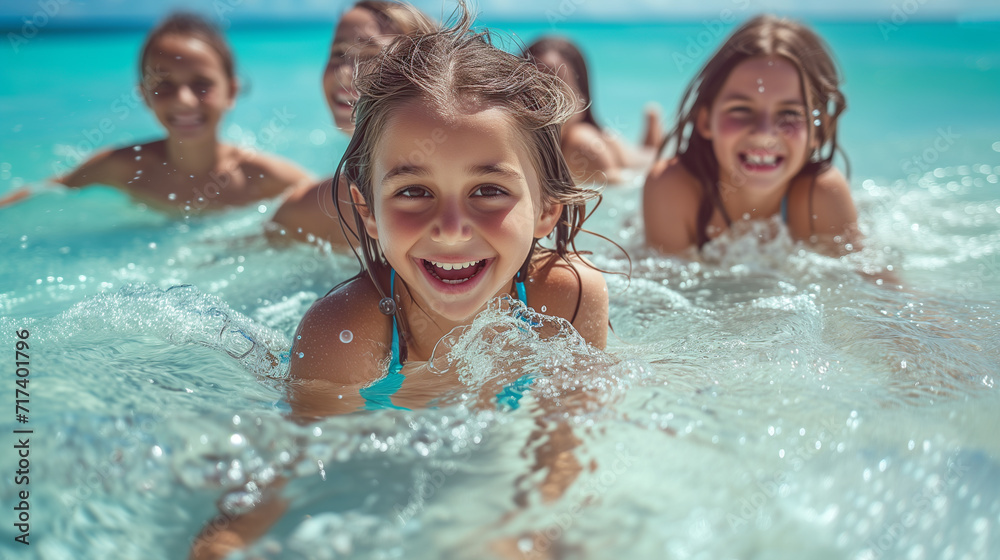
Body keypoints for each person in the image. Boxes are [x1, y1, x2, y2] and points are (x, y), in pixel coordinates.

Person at [190, 7, 609, 557]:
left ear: (548, 209)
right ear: (367, 213)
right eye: (413, 191)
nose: (452, 230)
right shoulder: (343, 332)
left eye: (488, 190)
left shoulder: (570, 297)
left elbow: (567, 444)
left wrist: (527, 531)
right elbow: (281, 477)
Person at [0, 13, 311, 215]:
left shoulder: (267, 178)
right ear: (144, 95)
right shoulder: (122, 166)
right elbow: (45, 194)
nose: (184, 101)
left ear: (231, 91)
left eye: (201, 85)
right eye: (164, 86)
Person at [643, 15, 858, 256]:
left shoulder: (820, 195)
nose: (765, 134)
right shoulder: (674, 189)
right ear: (704, 121)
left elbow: (874, 285)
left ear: (819, 130)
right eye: (741, 110)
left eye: (789, 113)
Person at [266, 1, 436, 247]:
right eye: (338, 54)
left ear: (425, 73)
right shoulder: (308, 211)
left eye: (369, 55)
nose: (344, 72)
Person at [523, 36, 662, 186]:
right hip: (609, 144)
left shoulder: (582, 143)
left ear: (581, 102)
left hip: (637, 163)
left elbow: (622, 194)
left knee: (653, 156)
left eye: (554, 88)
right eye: (530, 87)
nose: (539, 99)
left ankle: (653, 121)